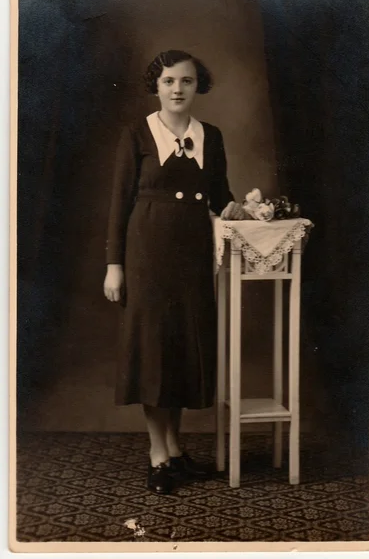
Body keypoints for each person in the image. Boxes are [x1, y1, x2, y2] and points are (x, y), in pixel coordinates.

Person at [104, 50, 245, 494]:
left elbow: (221, 195)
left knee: (182, 350)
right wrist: (114, 266)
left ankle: (177, 452)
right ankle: (157, 454)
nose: (178, 89)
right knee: (153, 351)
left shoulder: (212, 136)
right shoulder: (136, 134)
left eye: (186, 81)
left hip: (191, 257)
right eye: (169, 81)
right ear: (157, 86)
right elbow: (117, 204)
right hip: (146, 253)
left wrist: (248, 208)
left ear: (197, 86)